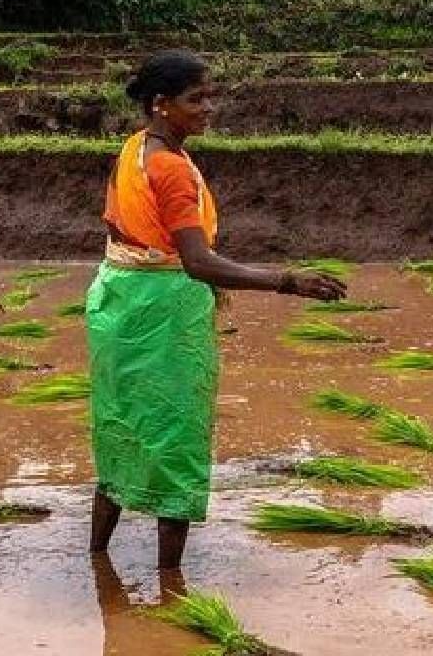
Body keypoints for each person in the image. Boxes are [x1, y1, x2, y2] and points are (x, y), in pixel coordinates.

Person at [87, 50, 346, 569]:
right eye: (196, 98)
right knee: (176, 432)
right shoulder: (170, 169)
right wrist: (287, 281)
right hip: (161, 315)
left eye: (211, 95)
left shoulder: (136, 148)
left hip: (116, 304)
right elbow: (198, 262)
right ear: (161, 105)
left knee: (120, 423)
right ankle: (172, 590)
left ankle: (98, 561)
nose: (209, 107)